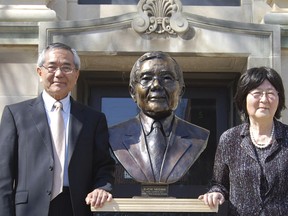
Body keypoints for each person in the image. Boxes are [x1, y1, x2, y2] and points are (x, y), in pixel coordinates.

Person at [0, 42, 115, 216]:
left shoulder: (94, 119)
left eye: (67, 68)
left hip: (77, 207)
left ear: (76, 75)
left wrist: (102, 187)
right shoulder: (16, 115)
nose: (59, 74)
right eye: (52, 67)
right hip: (28, 209)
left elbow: (104, 165)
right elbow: (4, 175)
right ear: (40, 72)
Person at [198, 67, 288, 215]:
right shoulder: (229, 139)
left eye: (271, 93)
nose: (264, 99)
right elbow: (220, 184)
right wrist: (216, 193)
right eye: (257, 93)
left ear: (279, 98)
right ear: (244, 97)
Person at [109, 51, 209, 184]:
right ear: (133, 92)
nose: (156, 85)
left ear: (181, 91)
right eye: (146, 78)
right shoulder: (114, 135)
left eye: (167, 78)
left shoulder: (199, 136)